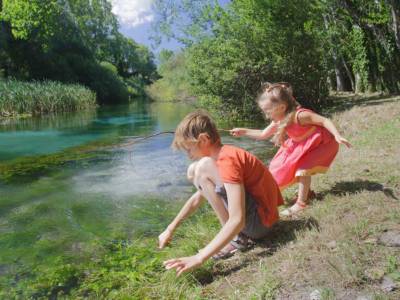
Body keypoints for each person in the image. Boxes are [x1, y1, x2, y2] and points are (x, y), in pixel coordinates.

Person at [159, 110, 283, 276]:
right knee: (194, 170)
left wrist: (199, 257)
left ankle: (237, 239)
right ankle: (237, 237)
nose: (188, 155)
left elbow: (238, 220)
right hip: (260, 220)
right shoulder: (222, 156)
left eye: (189, 149)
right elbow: (198, 198)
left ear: (203, 139)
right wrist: (170, 228)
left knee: (201, 167)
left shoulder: (226, 160)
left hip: (261, 224)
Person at [230, 82, 351, 216]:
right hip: (303, 144)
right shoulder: (279, 119)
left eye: (268, 111)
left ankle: (301, 204)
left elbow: (324, 121)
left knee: (303, 168)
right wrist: (243, 131)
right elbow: (263, 134)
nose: (266, 115)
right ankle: (308, 193)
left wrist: (337, 135)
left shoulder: (300, 116)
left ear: (282, 107)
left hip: (324, 143)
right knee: (279, 168)